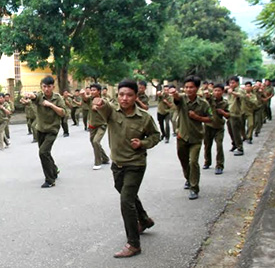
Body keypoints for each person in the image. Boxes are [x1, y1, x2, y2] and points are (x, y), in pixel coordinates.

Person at [93, 79, 160, 258]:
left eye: (129, 95)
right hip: (118, 164)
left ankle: (133, 244)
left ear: (135, 97)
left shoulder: (144, 117)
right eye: (121, 94)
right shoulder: (112, 112)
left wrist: (143, 143)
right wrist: (98, 101)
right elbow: (102, 106)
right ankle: (144, 219)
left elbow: (156, 136)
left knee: (126, 201)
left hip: (135, 164)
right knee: (124, 192)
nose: (124, 98)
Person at [171, 75, 212, 200]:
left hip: (196, 138)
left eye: (191, 87)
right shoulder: (182, 99)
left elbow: (210, 118)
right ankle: (188, 179)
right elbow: (177, 99)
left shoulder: (203, 104)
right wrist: (174, 94)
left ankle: (194, 188)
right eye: (187, 87)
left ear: (197, 88)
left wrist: (198, 117)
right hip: (182, 137)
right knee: (184, 161)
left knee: (193, 162)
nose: (189, 90)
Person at [24, 76, 66, 188]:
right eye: (44, 86)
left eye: (49, 86)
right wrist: (30, 95)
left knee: (43, 152)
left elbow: (62, 113)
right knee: (45, 153)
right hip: (40, 129)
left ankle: (50, 180)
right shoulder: (40, 96)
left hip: (52, 129)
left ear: (53, 87)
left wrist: (51, 105)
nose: (46, 89)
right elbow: (35, 97)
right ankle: (54, 169)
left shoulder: (58, 98)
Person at [203, 84, 229, 175]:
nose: (217, 92)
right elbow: (206, 100)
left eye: (219, 91)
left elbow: (229, 115)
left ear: (222, 92)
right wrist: (207, 95)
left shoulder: (225, 103)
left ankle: (219, 165)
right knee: (207, 145)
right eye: (215, 90)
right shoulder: (209, 100)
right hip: (208, 126)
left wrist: (223, 112)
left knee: (219, 146)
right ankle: (207, 161)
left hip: (219, 127)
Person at [82, 84, 109, 170]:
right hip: (92, 125)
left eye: (94, 90)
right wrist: (82, 94)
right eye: (91, 90)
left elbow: (106, 105)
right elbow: (85, 99)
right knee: (93, 142)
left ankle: (98, 162)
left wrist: (97, 107)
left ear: (99, 91)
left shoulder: (104, 99)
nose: (92, 92)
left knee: (96, 141)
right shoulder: (90, 99)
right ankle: (105, 158)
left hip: (102, 125)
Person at [226, 76, 246, 156]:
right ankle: (234, 144)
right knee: (230, 131)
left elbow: (242, 96)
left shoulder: (239, 90)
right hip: (230, 113)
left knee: (236, 132)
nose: (231, 84)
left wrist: (232, 92)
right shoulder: (231, 90)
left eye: (233, 83)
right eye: (230, 83)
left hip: (236, 114)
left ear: (237, 83)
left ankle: (240, 148)